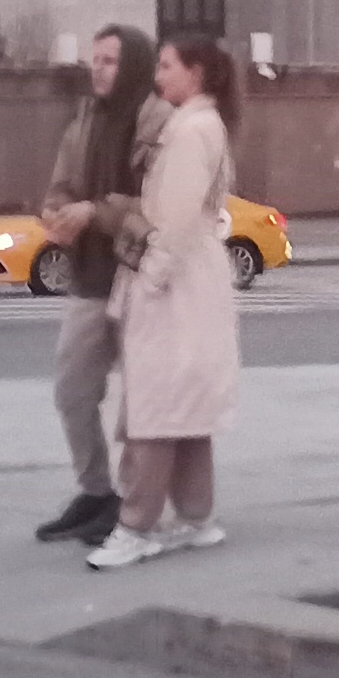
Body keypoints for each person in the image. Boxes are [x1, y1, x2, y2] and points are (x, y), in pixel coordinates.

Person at [86, 36, 242, 568]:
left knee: (152, 409)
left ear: (195, 73)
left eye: (167, 64)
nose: (158, 73)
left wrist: (149, 278)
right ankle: (197, 517)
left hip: (174, 283)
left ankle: (135, 526)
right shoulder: (204, 125)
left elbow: (172, 221)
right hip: (196, 281)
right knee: (187, 407)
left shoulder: (189, 131)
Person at [34, 23, 165, 544]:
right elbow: (62, 184)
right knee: (71, 391)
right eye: (94, 59)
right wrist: (54, 209)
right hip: (89, 276)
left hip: (140, 278)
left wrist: (97, 212)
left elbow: (161, 203)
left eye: (109, 60)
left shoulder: (158, 120)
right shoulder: (84, 119)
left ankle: (133, 506)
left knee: (140, 403)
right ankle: (94, 491)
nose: (98, 68)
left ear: (132, 64)